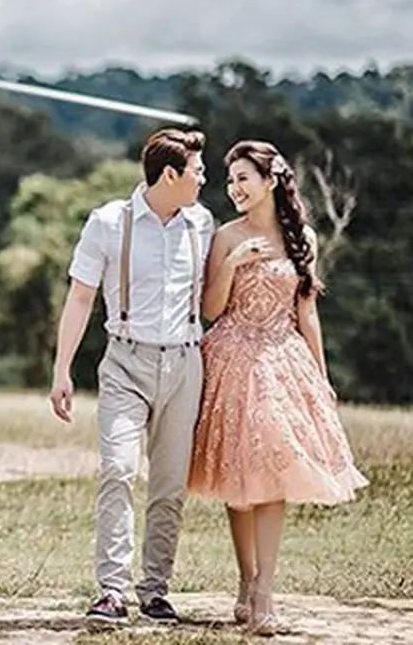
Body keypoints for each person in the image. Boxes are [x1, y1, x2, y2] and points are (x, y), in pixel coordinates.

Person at [186, 139, 367, 636]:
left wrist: (321, 377)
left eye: (243, 177)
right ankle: (246, 581)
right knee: (238, 483)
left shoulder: (301, 234)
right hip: (231, 358)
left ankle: (266, 588)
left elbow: (307, 311)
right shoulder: (224, 235)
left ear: (270, 181)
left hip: (283, 360)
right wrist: (232, 262)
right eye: (230, 180)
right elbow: (211, 310)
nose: (235, 188)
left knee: (273, 471)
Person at [49, 127, 214, 626]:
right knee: (118, 470)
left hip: (185, 363)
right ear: (170, 175)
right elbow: (80, 298)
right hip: (124, 362)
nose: (204, 179)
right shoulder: (108, 223)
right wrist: (61, 371)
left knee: (168, 485)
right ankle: (112, 591)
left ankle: (156, 590)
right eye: (197, 171)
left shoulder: (202, 224)